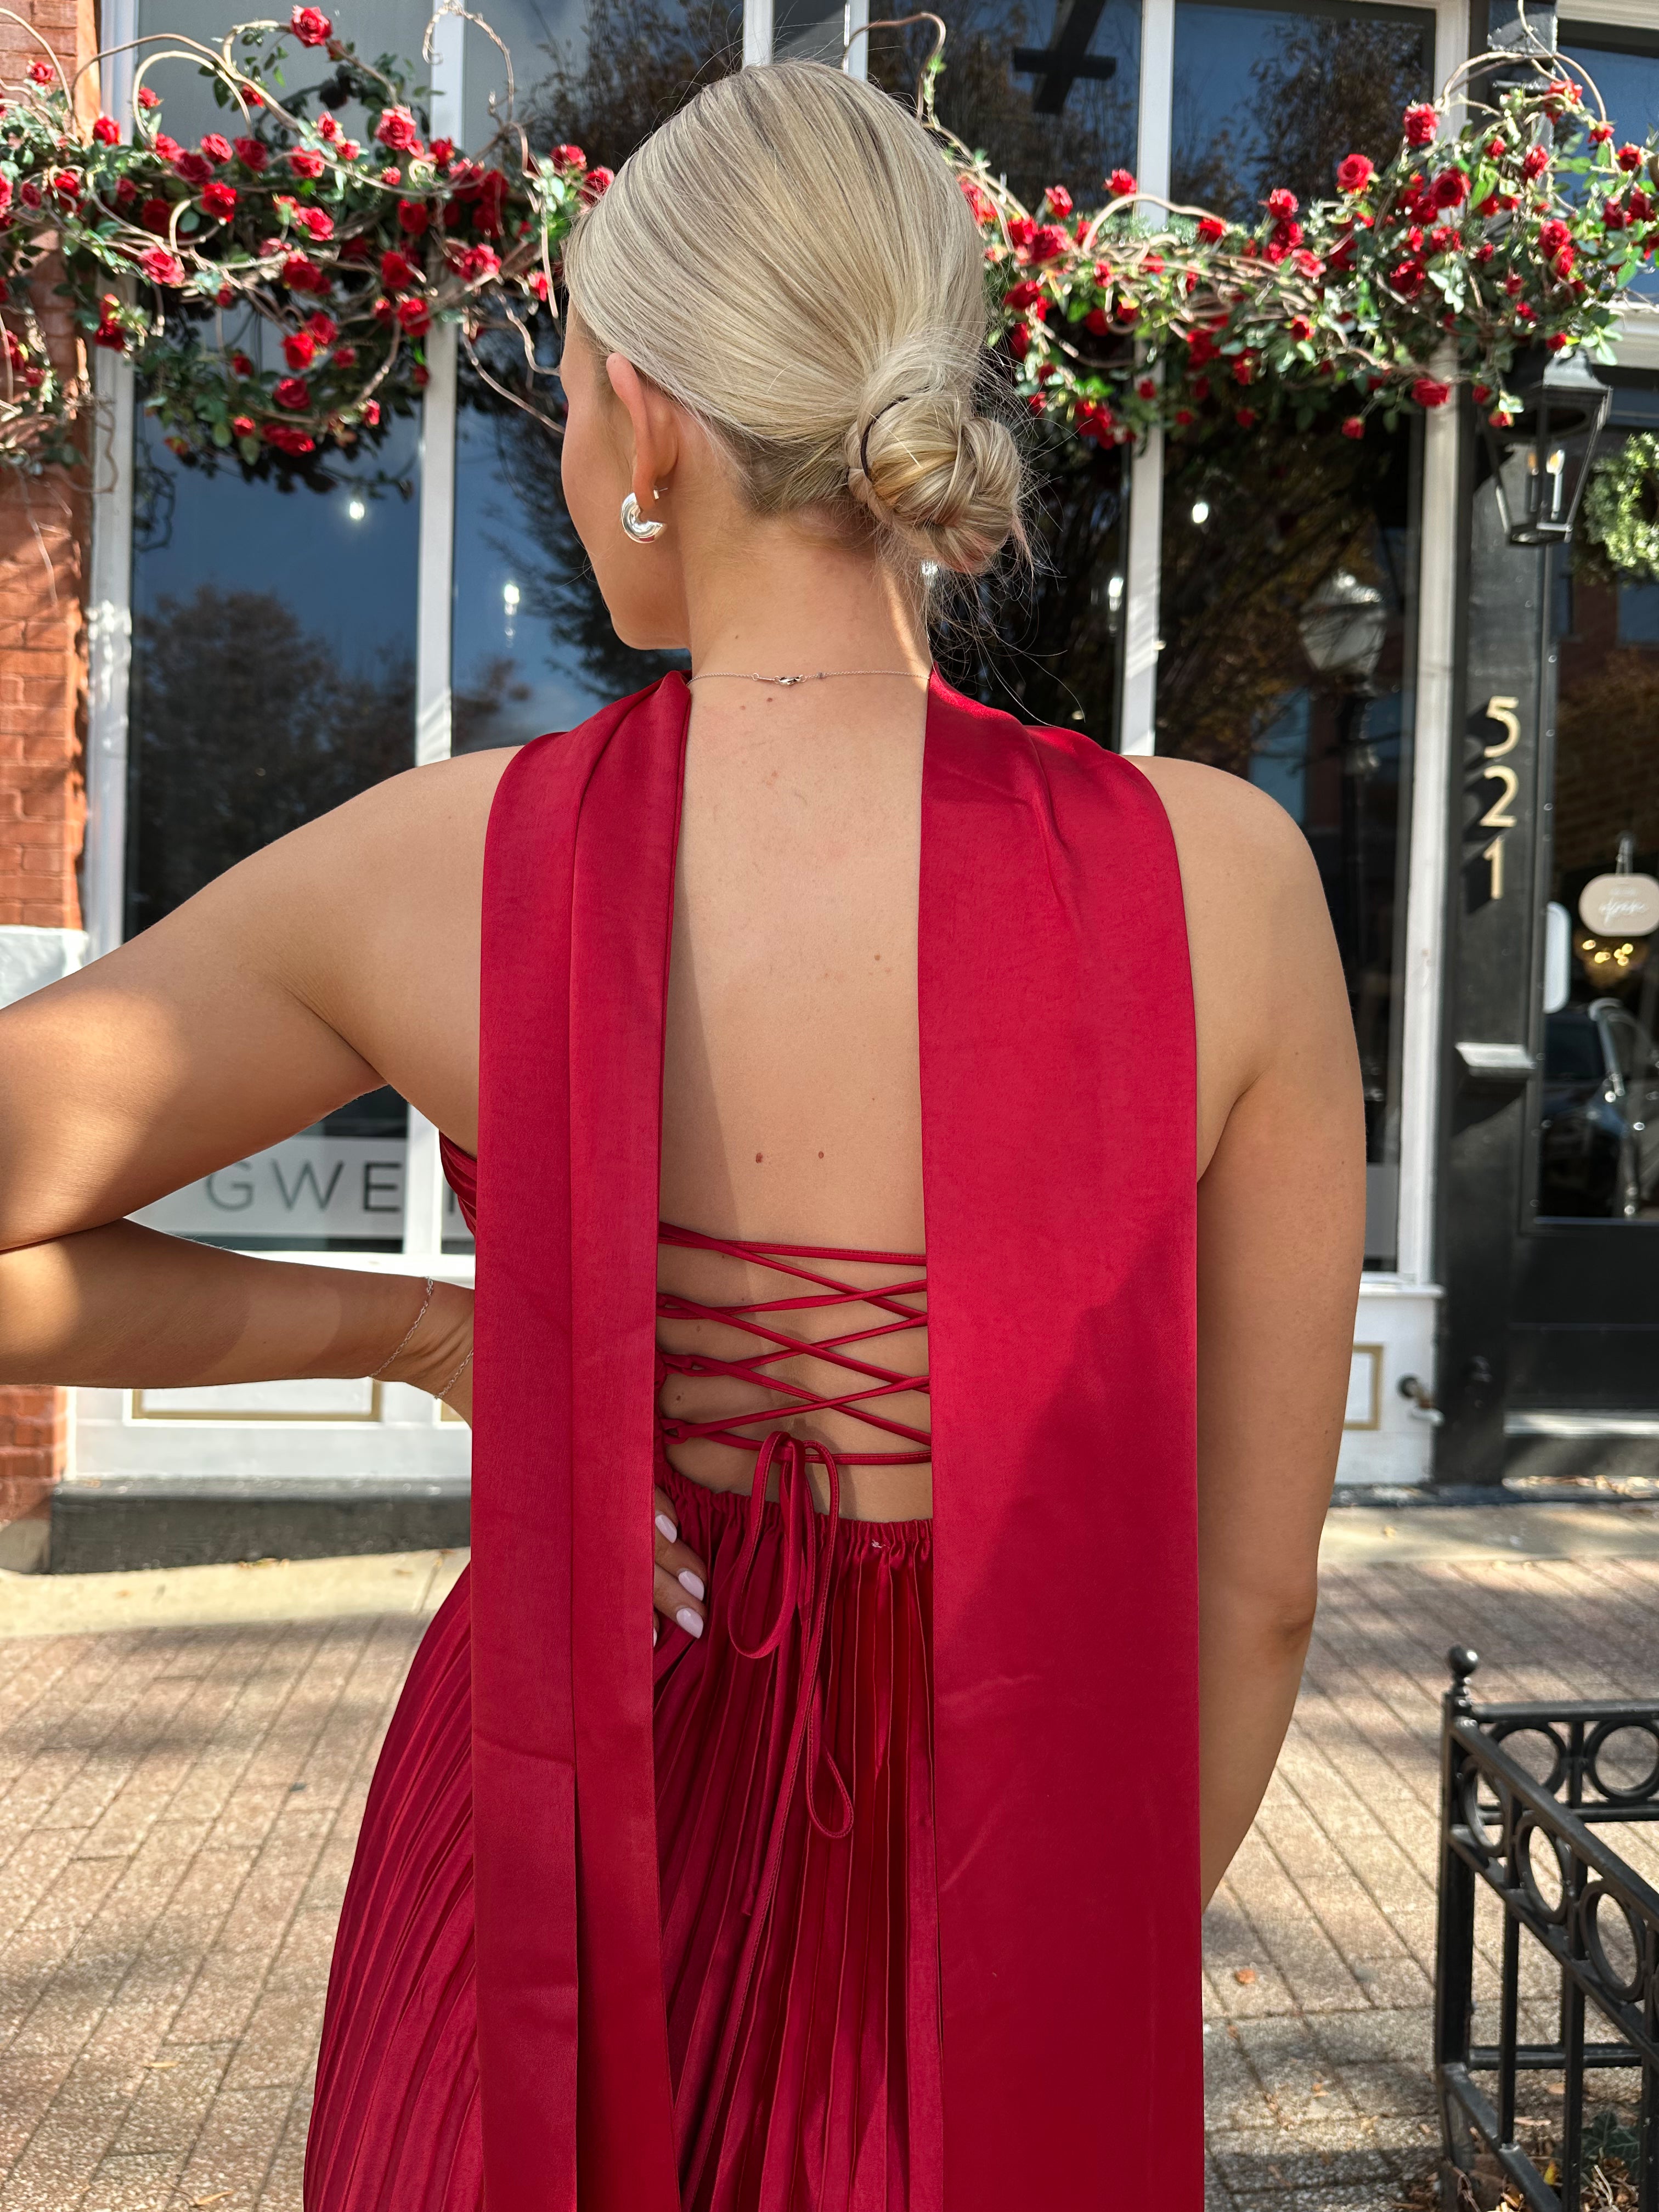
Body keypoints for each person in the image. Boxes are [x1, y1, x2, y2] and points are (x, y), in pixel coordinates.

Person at [0, 58, 1364, 2212]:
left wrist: (420, 1341)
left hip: (546, 1871)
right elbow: (1255, 1599)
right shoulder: (1228, 886)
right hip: (1006, 1901)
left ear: (637, 416)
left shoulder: (432, 874)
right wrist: (1059, 1964)